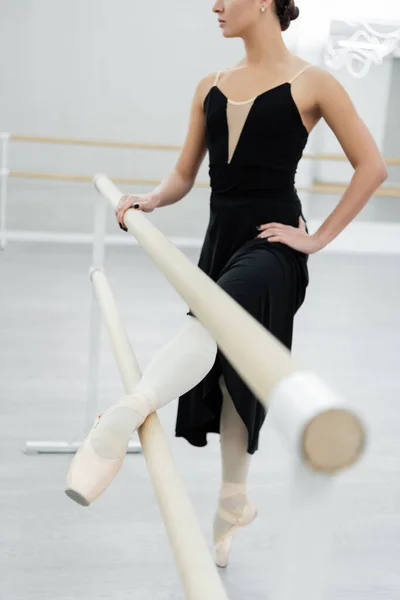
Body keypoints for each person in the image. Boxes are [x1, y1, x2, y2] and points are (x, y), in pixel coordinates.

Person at [66, 0, 387, 568]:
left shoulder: (314, 82)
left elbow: (372, 167)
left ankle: (119, 420)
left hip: (273, 241)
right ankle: (234, 499)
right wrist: (151, 198)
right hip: (222, 238)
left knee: (218, 322)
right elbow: (186, 174)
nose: (215, 5)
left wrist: (316, 240)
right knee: (231, 359)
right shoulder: (209, 85)